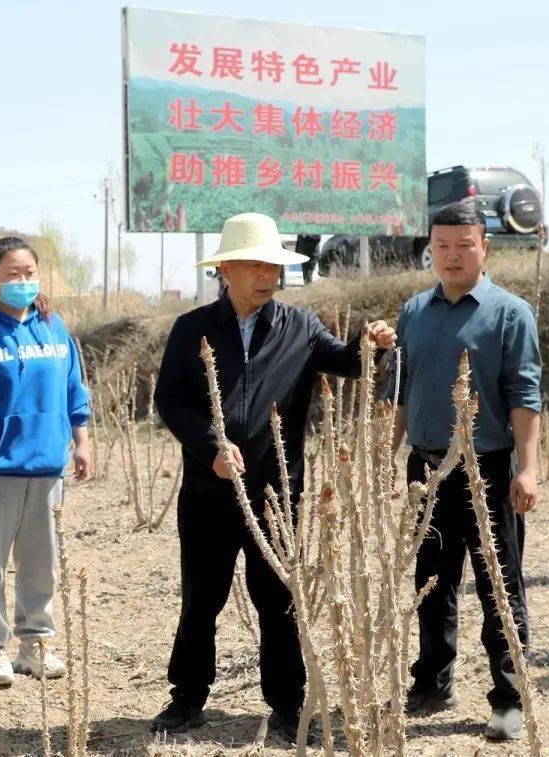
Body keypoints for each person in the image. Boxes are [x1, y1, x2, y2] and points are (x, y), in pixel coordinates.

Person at [151, 212, 397, 743]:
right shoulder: (192, 329)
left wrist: (371, 342)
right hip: (208, 492)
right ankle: (187, 698)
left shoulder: (298, 327)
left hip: (276, 493)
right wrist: (211, 448)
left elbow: (347, 361)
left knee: (279, 599)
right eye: (255, 266)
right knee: (202, 599)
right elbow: (168, 399)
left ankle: (287, 705)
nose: (267, 276)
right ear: (226, 270)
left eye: (273, 266)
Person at [388, 198, 542, 742]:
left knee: (500, 586)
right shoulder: (413, 311)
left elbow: (525, 397)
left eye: (463, 245)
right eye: (442, 246)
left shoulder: (509, 312)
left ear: (485, 247)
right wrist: (391, 457)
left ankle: (509, 698)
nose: (451, 257)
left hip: (489, 471)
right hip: (425, 469)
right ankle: (431, 680)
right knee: (432, 581)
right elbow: (400, 393)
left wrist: (528, 469)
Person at [0, 236, 91, 686]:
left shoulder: (54, 326)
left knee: (40, 562)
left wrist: (82, 441)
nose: (22, 281)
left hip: (48, 465)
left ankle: (35, 644)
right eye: (12, 274)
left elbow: (74, 389)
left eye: (29, 273)